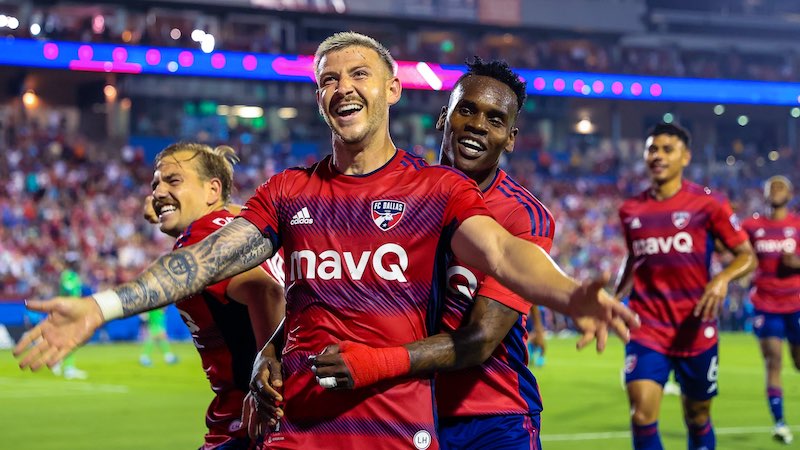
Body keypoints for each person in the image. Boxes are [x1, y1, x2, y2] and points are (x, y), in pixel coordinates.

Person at [15, 32, 637, 450]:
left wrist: (569, 293)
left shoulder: (434, 189)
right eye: (329, 79)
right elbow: (204, 260)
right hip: (304, 430)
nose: (344, 87)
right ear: (318, 98)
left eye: (360, 74)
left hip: (401, 427)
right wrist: (102, 306)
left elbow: (502, 252)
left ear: (392, 89)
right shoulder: (288, 192)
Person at [304, 57, 569, 449]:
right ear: (444, 117)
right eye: (467, 109)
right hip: (400, 412)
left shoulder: (521, 215)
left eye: (495, 120)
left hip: (491, 418)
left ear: (510, 138)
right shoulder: (395, 193)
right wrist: (271, 348)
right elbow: (326, 282)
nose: (478, 124)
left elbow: (480, 339)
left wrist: (375, 363)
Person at [614, 122, 756, 450]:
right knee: (641, 414)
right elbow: (635, 259)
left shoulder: (709, 204)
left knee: (697, 415)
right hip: (646, 326)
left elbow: (746, 256)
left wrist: (721, 279)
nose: (658, 156)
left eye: (667, 149)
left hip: (695, 324)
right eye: (652, 149)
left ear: (685, 157)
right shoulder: (630, 209)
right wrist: (614, 297)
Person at [151, 142, 286, 449]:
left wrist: (267, 379)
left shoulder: (199, 239)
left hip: (246, 427)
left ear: (212, 191)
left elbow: (266, 292)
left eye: (173, 181)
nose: (157, 193)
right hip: (285, 421)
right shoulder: (248, 229)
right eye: (155, 185)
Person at [741, 175, 800, 445]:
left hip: (796, 304)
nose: (775, 190)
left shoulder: (797, 225)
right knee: (773, 361)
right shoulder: (751, 226)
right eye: (771, 186)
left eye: (781, 186)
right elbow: (738, 254)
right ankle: (779, 422)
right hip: (765, 305)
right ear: (764, 194)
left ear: (790, 194)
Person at [53, 255, 88, 380]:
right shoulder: (67, 275)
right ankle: (68, 368)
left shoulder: (74, 275)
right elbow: (68, 290)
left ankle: (59, 363)